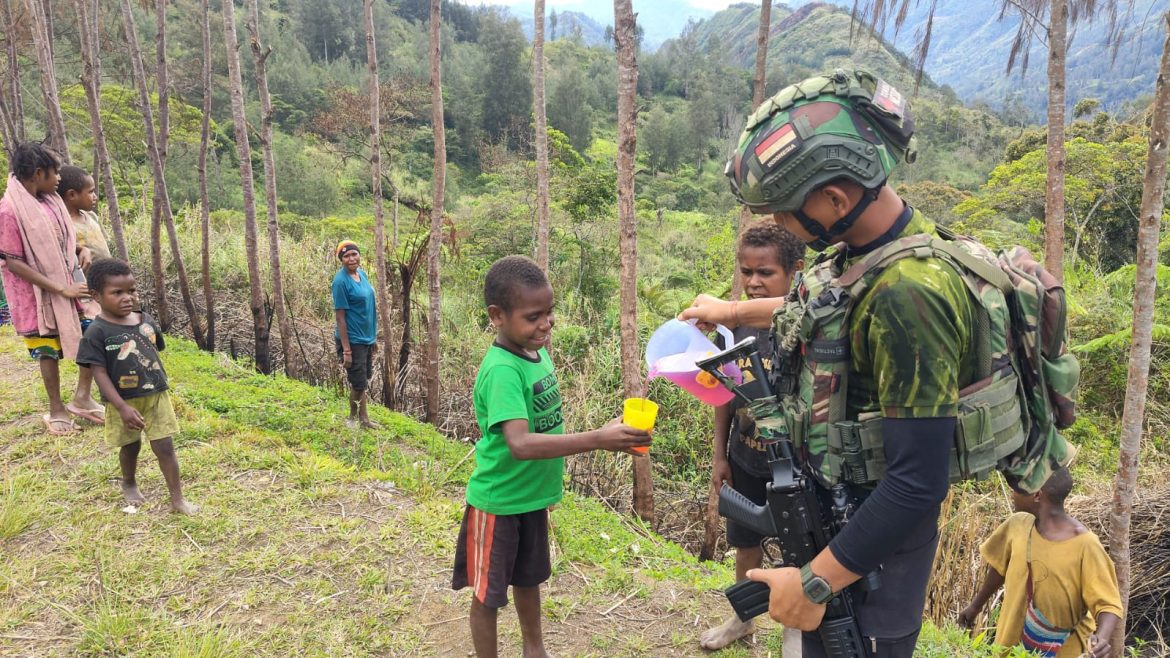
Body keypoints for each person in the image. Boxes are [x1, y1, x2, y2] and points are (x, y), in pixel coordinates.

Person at [680, 70, 970, 656]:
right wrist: (729, 310)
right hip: (838, 536)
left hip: (869, 565)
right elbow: (814, 304)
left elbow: (918, 482)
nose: (782, 228)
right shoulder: (860, 256)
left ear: (835, 199)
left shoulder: (909, 293)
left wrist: (815, 582)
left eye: (786, 212)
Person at [453, 255, 651, 658]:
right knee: (488, 595)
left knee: (529, 579)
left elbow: (545, 427)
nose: (546, 324)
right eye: (533, 317)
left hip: (531, 498)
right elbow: (521, 444)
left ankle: (535, 650)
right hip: (499, 502)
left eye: (549, 313)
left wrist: (607, 430)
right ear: (497, 316)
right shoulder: (503, 370)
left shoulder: (535, 352)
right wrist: (597, 439)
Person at [700, 223, 805, 652]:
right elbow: (723, 394)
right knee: (745, 542)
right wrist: (719, 454)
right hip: (745, 456)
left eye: (766, 273)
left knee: (801, 551)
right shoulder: (734, 328)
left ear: (795, 272)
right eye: (747, 272)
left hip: (797, 463)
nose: (754, 282)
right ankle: (743, 619)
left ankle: (796, 629)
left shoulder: (806, 326)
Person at [958, 468, 1122, 657]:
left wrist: (1101, 638)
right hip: (1009, 643)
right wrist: (975, 606)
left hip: (1064, 650)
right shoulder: (1017, 524)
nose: (1013, 492)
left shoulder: (1085, 545)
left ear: (1037, 495)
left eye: (1018, 487)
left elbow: (1108, 604)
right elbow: (999, 566)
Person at [76, 258, 197, 514]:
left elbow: (154, 350)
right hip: (123, 401)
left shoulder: (145, 321)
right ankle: (129, 482)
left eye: (131, 290)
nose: (127, 297)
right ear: (96, 296)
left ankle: (177, 499)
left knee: (165, 447)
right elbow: (99, 373)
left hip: (156, 395)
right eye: (117, 292)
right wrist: (121, 407)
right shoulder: (96, 332)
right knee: (130, 446)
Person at [0, 142, 104, 432]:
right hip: (33, 294)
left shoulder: (50, 201)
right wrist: (60, 289)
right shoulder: (8, 211)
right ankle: (56, 408)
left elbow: (60, 237)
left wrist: (80, 249)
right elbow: (14, 262)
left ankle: (82, 397)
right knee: (46, 349)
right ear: (37, 173)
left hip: (69, 282)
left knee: (92, 332)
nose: (59, 177)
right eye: (54, 172)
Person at [331, 240, 379, 429]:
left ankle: (364, 420)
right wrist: (347, 350)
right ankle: (351, 418)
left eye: (354, 254)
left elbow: (369, 309)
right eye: (346, 256)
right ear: (341, 260)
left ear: (359, 255)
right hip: (352, 340)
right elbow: (340, 318)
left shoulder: (362, 275)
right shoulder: (340, 282)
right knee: (358, 383)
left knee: (363, 380)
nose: (351, 259)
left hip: (366, 338)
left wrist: (373, 338)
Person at [57, 164, 112, 267]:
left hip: (108, 274)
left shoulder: (92, 216)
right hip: (88, 277)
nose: (95, 197)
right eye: (91, 192)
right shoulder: (63, 226)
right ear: (72, 195)